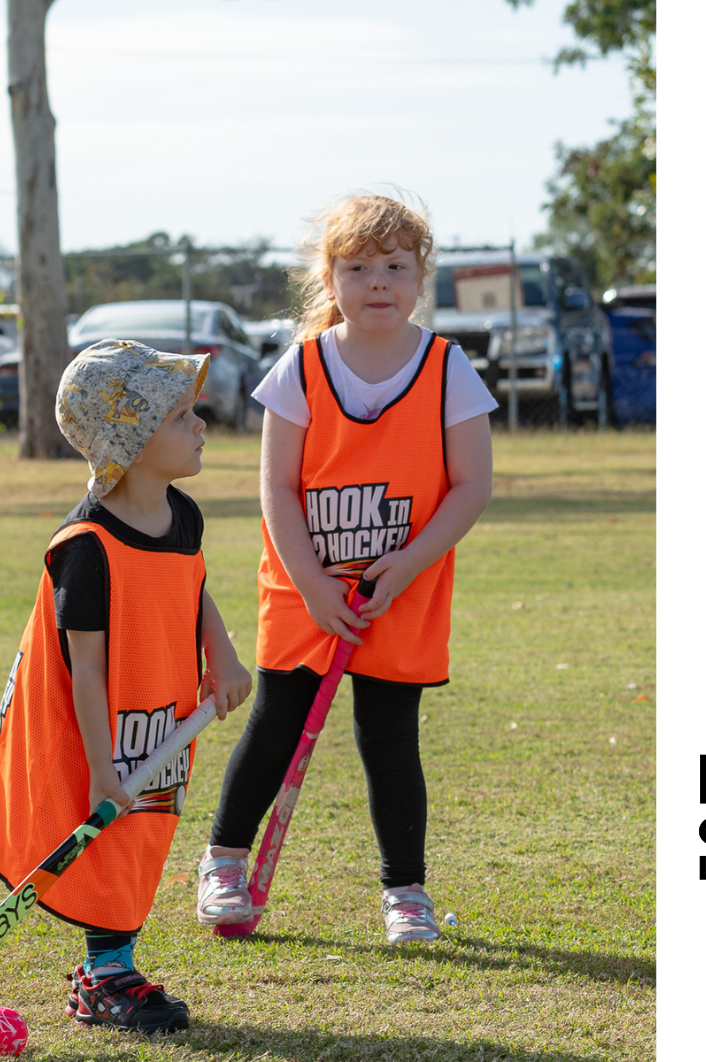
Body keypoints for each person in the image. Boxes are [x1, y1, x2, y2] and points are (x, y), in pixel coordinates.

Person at [197, 193, 496, 942]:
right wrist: (311, 584)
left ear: (420, 276)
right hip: (306, 584)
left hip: (403, 587)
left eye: (395, 266)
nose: (378, 282)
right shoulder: (298, 370)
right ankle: (224, 863)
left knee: (390, 735)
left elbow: (472, 487)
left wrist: (405, 564)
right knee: (277, 722)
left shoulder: (447, 367)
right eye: (358, 268)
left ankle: (405, 892)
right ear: (329, 280)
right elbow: (277, 489)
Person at [0, 339, 252, 1033]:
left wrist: (225, 654)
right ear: (135, 438)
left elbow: (194, 585)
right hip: (100, 730)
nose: (201, 424)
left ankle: (108, 972)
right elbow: (83, 669)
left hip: (162, 714)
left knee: (146, 836)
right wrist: (99, 770)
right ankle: (107, 977)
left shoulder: (183, 515)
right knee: (111, 844)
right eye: (182, 415)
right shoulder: (85, 547)